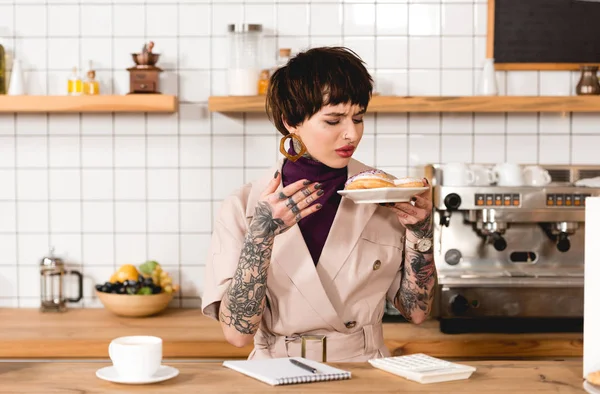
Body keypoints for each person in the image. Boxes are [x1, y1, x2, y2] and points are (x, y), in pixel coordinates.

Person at [201, 47, 436, 362]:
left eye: (359, 118)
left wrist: (421, 231)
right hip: (275, 371)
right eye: (333, 120)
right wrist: (262, 234)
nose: (352, 133)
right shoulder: (244, 204)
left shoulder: (387, 195)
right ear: (291, 122)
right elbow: (236, 334)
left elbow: (416, 311)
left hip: (364, 371)